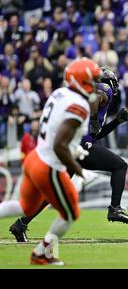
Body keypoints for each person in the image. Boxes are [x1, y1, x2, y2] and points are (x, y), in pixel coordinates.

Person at [9, 67, 128, 243]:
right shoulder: (103, 89)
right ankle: (115, 208)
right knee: (120, 166)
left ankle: (21, 224)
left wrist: (116, 122)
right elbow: (96, 99)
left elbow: (96, 134)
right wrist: (93, 119)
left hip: (71, 144)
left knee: (54, 192)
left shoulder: (77, 93)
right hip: (79, 145)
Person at [0, 58, 101, 265]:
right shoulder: (79, 105)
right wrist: (79, 171)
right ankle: (41, 253)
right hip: (48, 166)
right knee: (70, 212)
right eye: (93, 80)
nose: (96, 85)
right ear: (82, 81)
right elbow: (59, 145)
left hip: (35, 158)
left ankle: (42, 253)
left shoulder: (59, 93)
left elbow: (57, 132)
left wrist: (75, 149)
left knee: (25, 207)